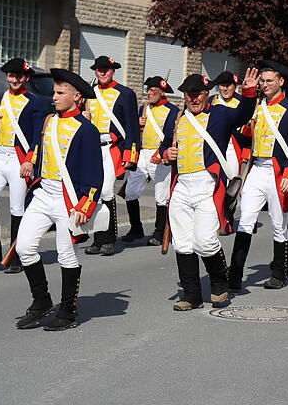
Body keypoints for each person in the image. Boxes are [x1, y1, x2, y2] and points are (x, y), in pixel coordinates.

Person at [160, 71, 257, 310]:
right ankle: (191, 295)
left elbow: (243, 114)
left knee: (205, 241)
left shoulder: (220, 114)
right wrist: (166, 154)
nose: (193, 100)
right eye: (189, 95)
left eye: (198, 95)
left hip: (207, 184)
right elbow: (164, 145)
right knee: (182, 243)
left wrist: (249, 92)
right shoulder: (177, 118)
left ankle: (219, 283)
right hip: (182, 185)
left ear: (207, 95)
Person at [14, 68, 103, 330]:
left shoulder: (86, 130)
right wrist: (31, 161)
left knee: (66, 254)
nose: (54, 96)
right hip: (43, 194)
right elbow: (39, 149)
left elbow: (93, 174)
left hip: (69, 199)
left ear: (76, 96)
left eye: (60, 92)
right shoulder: (49, 121)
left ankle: (68, 311)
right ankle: (41, 301)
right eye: (54, 92)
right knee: (24, 247)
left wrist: (84, 206)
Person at [229, 61, 288, 291]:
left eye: (269, 81)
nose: (264, 85)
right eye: (262, 81)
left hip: (277, 172)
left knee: (278, 224)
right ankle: (235, 274)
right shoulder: (256, 106)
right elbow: (243, 136)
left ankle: (279, 273)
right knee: (245, 221)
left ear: (281, 82)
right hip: (256, 170)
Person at [0, 58, 47, 272]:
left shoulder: (36, 102)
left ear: (26, 78)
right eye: (11, 76)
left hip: (18, 158)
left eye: (18, 76)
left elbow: (37, 137)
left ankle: (16, 254)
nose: (14, 80)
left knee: (17, 208)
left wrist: (30, 160)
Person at [83, 56, 140, 257]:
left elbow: (132, 127)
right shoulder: (89, 94)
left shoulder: (125, 94)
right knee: (94, 193)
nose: (103, 72)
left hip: (111, 148)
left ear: (113, 70)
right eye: (99, 69)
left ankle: (110, 238)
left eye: (106, 69)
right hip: (91, 149)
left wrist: (131, 154)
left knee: (106, 191)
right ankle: (98, 239)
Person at [121, 76, 179, 245]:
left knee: (162, 195)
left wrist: (161, 154)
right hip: (142, 154)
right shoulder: (143, 109)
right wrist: (137, 124)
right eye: (149, 90)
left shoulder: (172, 110)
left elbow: (170, 135)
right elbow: (132, 131)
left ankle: (160, 232)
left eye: (154, 91)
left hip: (159, 154)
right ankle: (136, 228)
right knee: (130, 192)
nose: (150, 93)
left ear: (162, 92)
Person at [210, 71, 246, 177]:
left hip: (233, 147)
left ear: (234, 86)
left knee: (232, 178)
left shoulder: (242, 102)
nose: (225, 89)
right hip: (213, 145)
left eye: (228, 85)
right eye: (222, 85)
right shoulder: (211, 101)